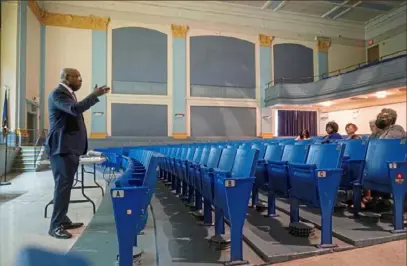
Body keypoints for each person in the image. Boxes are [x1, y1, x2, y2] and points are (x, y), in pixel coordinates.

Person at [45, 68, 110, 239]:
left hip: (68, 148)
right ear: (66, 78)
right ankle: (55, 225)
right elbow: (74, 110)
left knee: (65, 187)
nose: (80, 80)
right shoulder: (58, 94)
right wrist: (93, 95)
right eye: (77, 77)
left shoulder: (68, 94)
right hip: (61, 148)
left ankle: (63, 219)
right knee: (62, 187)